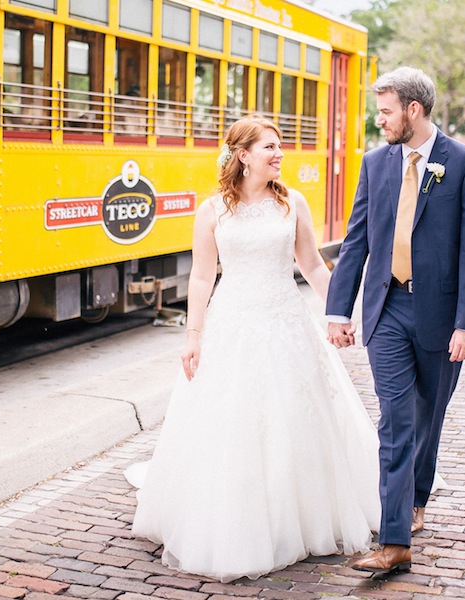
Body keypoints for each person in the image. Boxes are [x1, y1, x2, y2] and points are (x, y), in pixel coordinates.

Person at [125, 116, 381, 582]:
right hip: (233, 325)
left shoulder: (293, 203)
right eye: (270, 147)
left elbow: (312, 264)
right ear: (243, 155)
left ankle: (298, 516)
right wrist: (193, 337)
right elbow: (202, 277)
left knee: (296, 416)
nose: (279, 154)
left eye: (279, 147)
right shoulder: (213, 211)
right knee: (235, 421)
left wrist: (339, 314)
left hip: (286, 323)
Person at [326, 67, 465, 574]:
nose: (379, 120)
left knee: (427, 417)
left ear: (413, 111)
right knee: (395, 421)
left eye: (385, 111)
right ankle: (394, 538)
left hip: (441, 316)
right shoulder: (375, 164)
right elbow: (356, 240)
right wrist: (338, 309)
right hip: (388, 309)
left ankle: (418, 495)